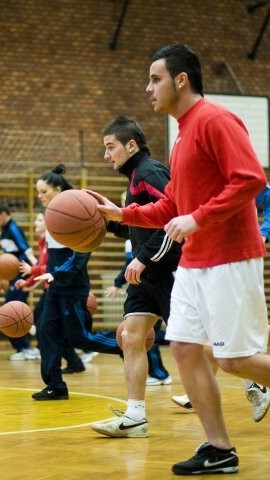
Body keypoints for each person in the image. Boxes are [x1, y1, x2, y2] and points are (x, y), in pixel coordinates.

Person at [88, 44, 270, 475]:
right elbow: (170, 205)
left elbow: (251, 180)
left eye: (155, 78)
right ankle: (219, 447)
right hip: (195, 261)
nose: (147, 87)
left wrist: (198, 218)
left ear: (181, 79)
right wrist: (121, 214)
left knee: (232, 359)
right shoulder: (181, 136)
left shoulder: (215, 119)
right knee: (186, 348)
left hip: (230, 255)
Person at [172, 184, 270, 423]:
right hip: (212, 260)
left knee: (223, 332)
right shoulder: (201, 174)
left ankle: (258, 385)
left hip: (239, 259)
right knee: (233, 327)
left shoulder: (241, 169)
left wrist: (264, 232)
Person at [91, 117, 181, 438]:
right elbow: (139, 226)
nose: (106, 156)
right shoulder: (132, 182)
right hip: (147, 275)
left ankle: (251, 378)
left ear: (131, 146)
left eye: (110, 147)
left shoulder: (149, 172)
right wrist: (107, 221)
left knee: (195, 345)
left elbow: (174, 217)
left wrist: (143, 258)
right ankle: (136, 416)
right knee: (130, 336)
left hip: (171, 271)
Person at [31, 164, 122, 401]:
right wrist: (45, 275)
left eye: (43, 191)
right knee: (45, 330)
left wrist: (56, 274)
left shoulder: (76, 212)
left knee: (78, 337)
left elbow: (80, 255)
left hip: (72, 287)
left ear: (58, 189)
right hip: (55, 287)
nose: (40, 197)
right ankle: (56, 386)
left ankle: (125, 345)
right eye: (38, 193)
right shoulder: (52, 217)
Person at [104, 190, 172, 387]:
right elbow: (129, 234)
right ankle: (136, 409)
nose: (124, 205)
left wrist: (118, 283)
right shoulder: (131, 236)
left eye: (126, 201)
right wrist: (105, 224)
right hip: (142, 283)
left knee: (191, 340)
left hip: (167, 276)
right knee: (135, 336)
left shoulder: (157, 221)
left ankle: (161, 374)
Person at [16, 213, 86, 374]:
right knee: (49, 327)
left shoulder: (53, 241)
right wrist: (28, 283)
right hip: (51, 289)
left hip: (60, 289)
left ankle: (65, 361)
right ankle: (72, 361)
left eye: (40, 219)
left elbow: (50, 268)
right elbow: (43, 268)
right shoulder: (43, 242)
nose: (35, 222)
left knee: (46, 326)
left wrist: (31, 271)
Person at [0, 203, 40, 361]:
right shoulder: (4, 230)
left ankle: (26, 348)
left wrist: (36, 265)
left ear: (4, 213)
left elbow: (25, 249)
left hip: (21, 275)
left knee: (13, 311)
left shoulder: (13, 228)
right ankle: (23, 347)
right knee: (10, 310)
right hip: (13, 276)